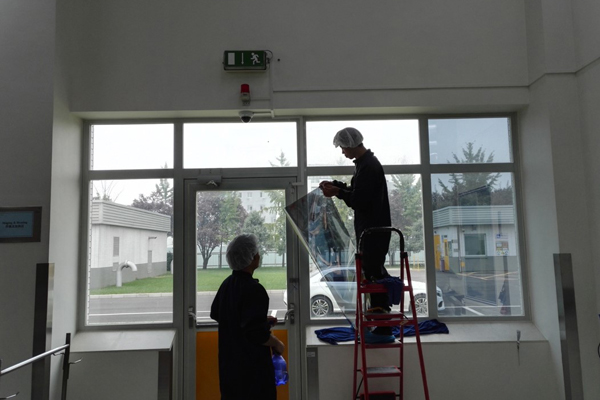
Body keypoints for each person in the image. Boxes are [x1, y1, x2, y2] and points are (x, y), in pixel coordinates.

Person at [319, 127, 393, 339]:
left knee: (374, 277)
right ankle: (380, 323)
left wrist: (338, 192)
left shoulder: (369, 166)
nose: (342, 152)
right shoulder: (364, 165)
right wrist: (337, 186)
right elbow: (358, 192)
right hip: (371, 233)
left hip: (374, 234)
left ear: (351, 144)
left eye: (343, 148)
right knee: (373, 275)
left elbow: (359, 200)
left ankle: (383, 326)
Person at [210, 234, 285, 400]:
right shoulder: (254, 290)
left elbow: (219, 314)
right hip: (251, 373)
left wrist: (260, 320)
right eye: (256, 252)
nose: (258, 255)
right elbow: (255, 334)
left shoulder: (227, 284)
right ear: (251, 258)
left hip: (230, 369)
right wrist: (277, 344)